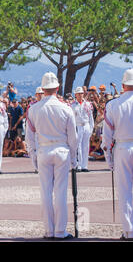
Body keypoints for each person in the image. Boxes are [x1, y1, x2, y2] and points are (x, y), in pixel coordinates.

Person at [26, 72, 78, 240]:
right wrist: (74, 157)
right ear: (57, 88)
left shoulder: (33, 109)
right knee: (60, 192)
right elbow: (73, 137)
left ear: (43, 89)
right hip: (61, 149)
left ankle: (49, 230)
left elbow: (29, 136)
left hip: (43, 150)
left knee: (45, 192)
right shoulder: (65, 108)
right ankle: (60, 231)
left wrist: (32, 154)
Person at [102, 69, 133, 241]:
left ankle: (129, 231)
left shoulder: (113, 105)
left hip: (122, 147)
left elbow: (107, 136)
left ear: (122, 85)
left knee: (124, 190)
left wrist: (109, 159)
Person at [71, 87, 94, 172]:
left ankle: (85, 165)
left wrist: (91, 128)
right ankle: (79, 165)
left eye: (81, 93)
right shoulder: (72, 105)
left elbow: (91, 117)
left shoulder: (88, 104)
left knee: (86, 145)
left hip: (86, 125)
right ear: (75, 95)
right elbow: (72, 118)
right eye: (78, 93)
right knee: (79, 146)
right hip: (78, 125)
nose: (80, 95)